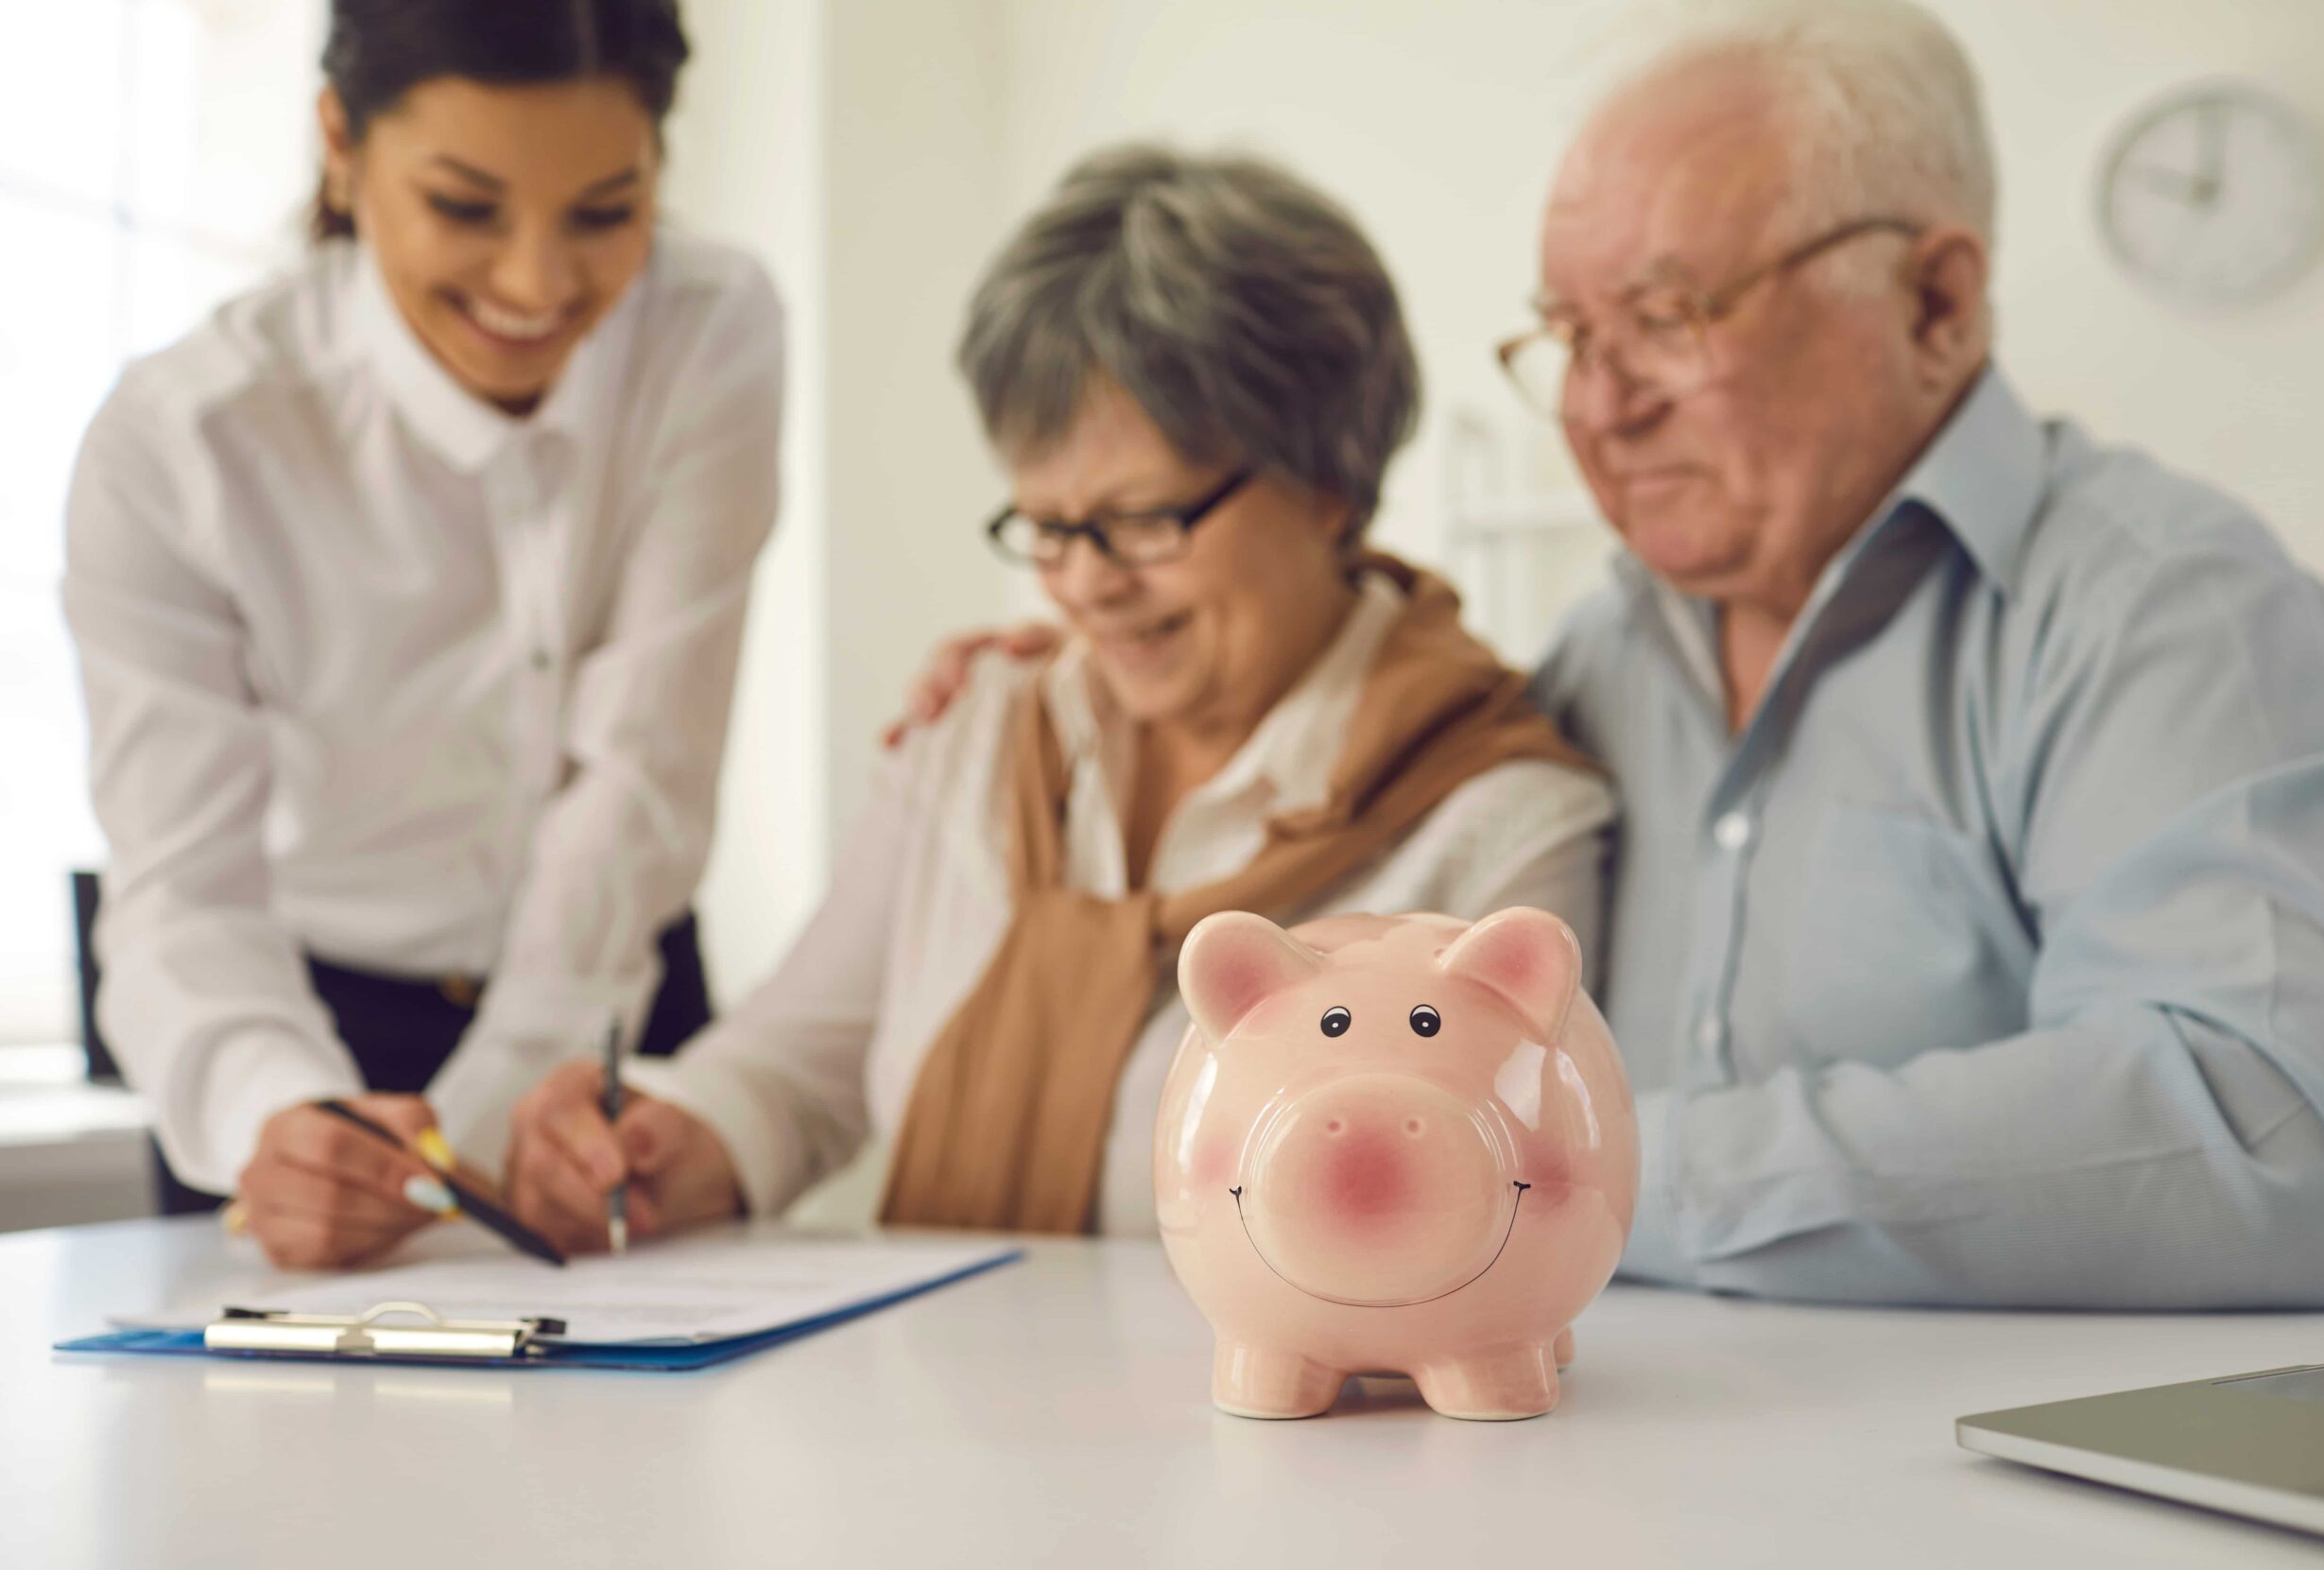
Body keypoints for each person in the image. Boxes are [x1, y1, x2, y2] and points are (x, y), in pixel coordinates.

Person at [899, 0, 2324, 1307]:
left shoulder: (2171, 611)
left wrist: (1580, 1165)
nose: (1600, 405)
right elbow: (1374, 781)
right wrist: (1097, 642)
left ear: (1937, 302)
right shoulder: (1595, 660)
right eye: (1570, 333)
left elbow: (2278, 1136)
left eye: (1672, 317)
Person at [499, 145, 1614, 1250]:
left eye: (1141, 522)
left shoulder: (1495, 823)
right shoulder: (983, 727)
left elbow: (1491, 1216)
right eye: (1048, 527)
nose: (1087, 583)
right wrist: (654, 1147)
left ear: (1328, 481)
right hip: (949, 1404)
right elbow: (798, 1065)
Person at [62, 0, 783, 1269]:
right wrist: (275, 1116)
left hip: (609, 996)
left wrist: (493, 1112)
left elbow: (645, 773)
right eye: (464, 206)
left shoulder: (712, 328)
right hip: (302, 1026)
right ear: (339, 140)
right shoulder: (181, 441)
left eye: (607, 212)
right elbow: (180, 883)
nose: (539, 284)